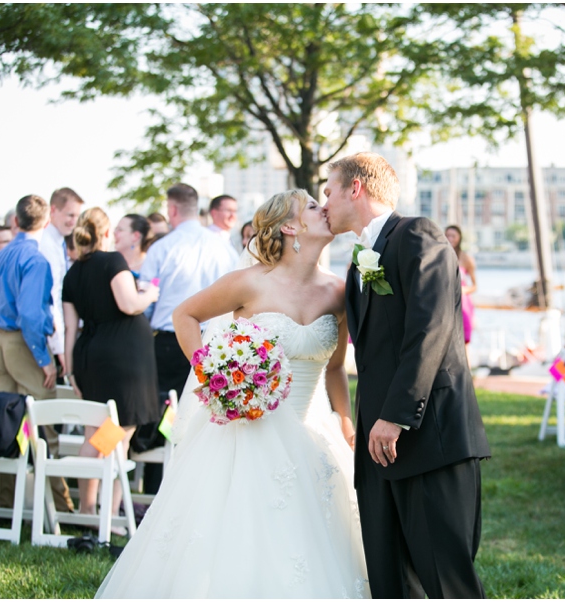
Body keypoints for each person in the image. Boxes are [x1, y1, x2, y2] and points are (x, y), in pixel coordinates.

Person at [96, 189, 368, 598]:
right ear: (290, 226)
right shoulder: (249, 282)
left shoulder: (338, 291)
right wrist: (217, 375)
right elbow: (184, 315)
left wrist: (345, 421)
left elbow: (333, 368)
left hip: (313, 429)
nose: (325, 209)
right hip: (249, 430)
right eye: (313, 205)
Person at [324, 152, 490, 598]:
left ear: (355, 188)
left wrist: (396, 415)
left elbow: (430, 329)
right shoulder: (360, 257)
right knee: (389, 580)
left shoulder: (417, 234)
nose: (324, 203)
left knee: (445, 580)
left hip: (427, 437)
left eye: (328, 191)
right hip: (377, 449)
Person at [62, 207, 160, 530]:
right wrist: (149, 293)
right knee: (118, 434)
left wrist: (71, 370)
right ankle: (106, 513)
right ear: (105, 234)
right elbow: (129, 304)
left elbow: (69, 328)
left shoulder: (72, 273)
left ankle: (93, 510)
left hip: (90, 357)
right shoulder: (113, 262)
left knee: (99, 432)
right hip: (123, 362)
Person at [136, 183, 237, 494]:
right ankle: (197, 488)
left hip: (168, 341)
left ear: (172, 210)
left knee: (162, 413)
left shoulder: (162, 248)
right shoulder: (223, 248)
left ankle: (156, 490)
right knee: (204, 414)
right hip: (212, 341)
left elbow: (146, 298)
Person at [0, 194, 73, 513]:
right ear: (47, 220)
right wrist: (44, 359)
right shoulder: (35, 260)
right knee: (43, 421)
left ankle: (4, 500)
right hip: (23, 342)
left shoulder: (2, 255)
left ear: (16, 221)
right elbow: (31, 316)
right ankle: (61, 507)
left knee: (4, 421)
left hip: (0, 341)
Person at [38, 187, 84, 380]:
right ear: (53, 210)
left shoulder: (58, 242)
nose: (73, 221)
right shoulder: (46, 244)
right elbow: (51, 298)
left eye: (77, 216)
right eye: (69, 215)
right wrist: (60, 347)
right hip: (50, 339)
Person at [444, 225, 477, 345]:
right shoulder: (440, 256)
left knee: (464, 340)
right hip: (445, 300)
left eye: (453, 236)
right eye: (447, 235)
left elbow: (474, 285)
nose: (450, 238)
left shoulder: (466, 258)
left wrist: (463, 290)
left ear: (459, 238)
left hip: (462, 302)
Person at [113, 213, 154, 277]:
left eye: (120, 230)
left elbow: (156, 284)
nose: (114, 233)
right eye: (116, 229)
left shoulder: (152, 265)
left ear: (136, 236)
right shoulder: (111, 263)